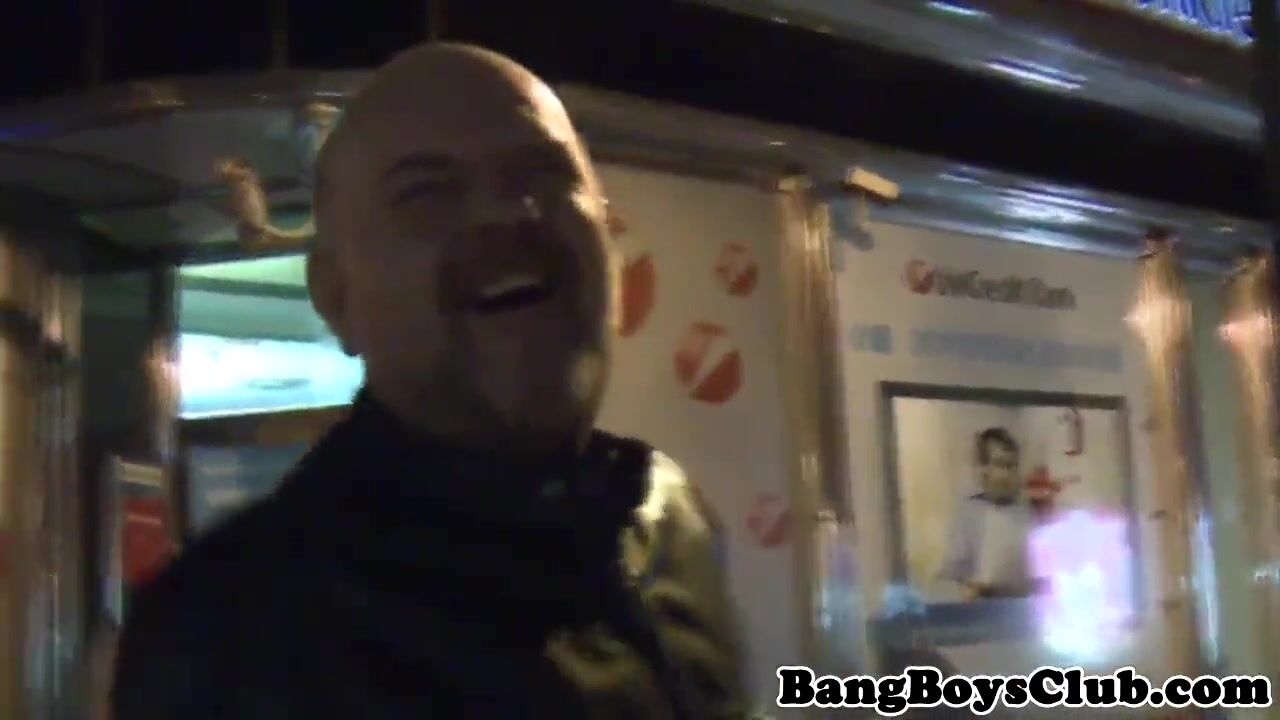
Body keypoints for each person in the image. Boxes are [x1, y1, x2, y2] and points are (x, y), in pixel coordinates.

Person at [112, 43, 752, 719]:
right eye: (427, 193)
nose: (507, 214)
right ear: (335, 296)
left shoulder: (672, 520)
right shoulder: (230, 632)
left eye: (542, 172)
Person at [937, 427, 1039, 600]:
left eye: (1012, 466)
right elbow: (948, 579)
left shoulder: (1028, 513)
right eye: (1000, 465)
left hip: (1021, 608)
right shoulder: (968, 514)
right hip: (980, 609)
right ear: (983, 469)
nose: (1007, 475)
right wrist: (967, 589)